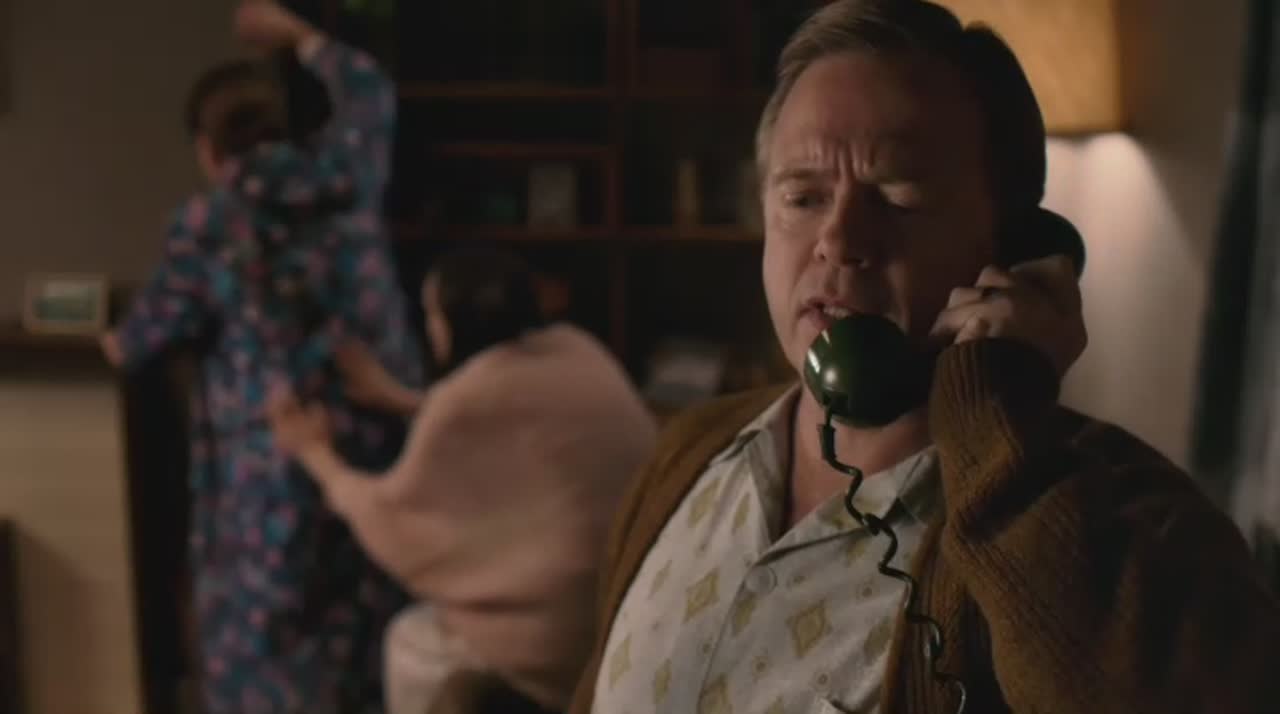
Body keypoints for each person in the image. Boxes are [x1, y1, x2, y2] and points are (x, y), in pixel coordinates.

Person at [568, 2, 1280, 714]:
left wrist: (999, 408)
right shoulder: (688, 454)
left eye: (899, 197)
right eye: (803, 197)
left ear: (1013, 245)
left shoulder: (1139, 523)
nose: (839, 240)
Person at [100, 2, 422, 712]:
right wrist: (302, 36)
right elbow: (370, 93)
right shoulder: (349, 178)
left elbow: (145, 338)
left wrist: (117, 339)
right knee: (362, 636)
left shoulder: (213, 222)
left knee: (267, 648)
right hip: (373, 452)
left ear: (208, 148)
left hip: (268, 466)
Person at [269, 246, 658, 714]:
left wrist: (315, 453)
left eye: (431, 315)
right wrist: (401, 398)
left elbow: (395, 523)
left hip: (557, 644)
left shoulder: (461, 400)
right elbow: (509, 414)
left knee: (408, 639)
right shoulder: (578, 350)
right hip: (629, 617)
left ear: (452, 324)